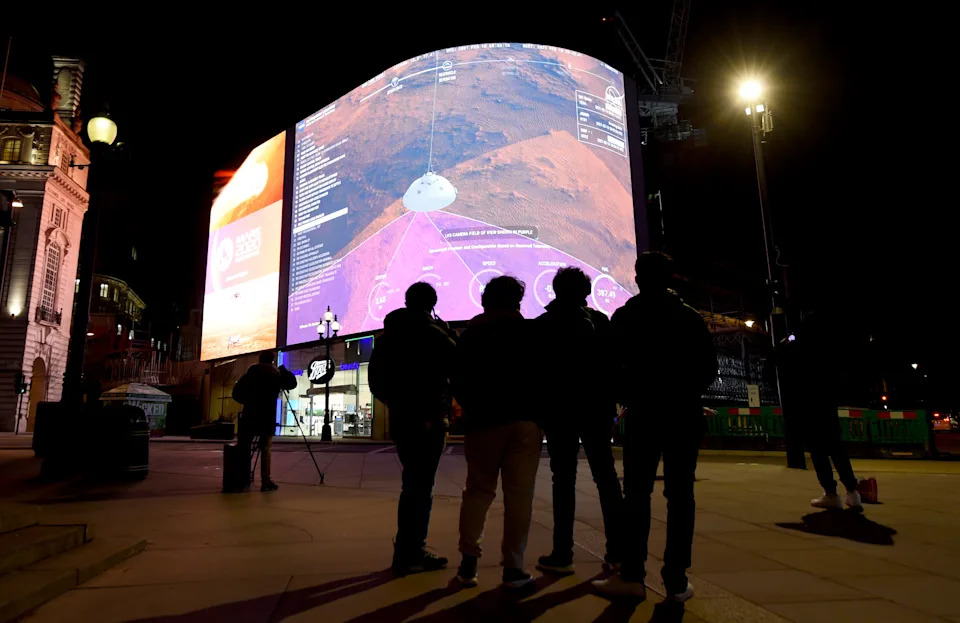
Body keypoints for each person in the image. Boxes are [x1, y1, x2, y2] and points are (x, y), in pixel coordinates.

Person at [593, 252, 716, 602]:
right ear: (670, 278)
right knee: (680, 497)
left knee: (636, 495)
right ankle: (676, 580)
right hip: (683, 414)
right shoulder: (690, 318)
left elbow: (609, 370)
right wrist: (683, 391)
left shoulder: (625, 317)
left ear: (637, 278)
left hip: (643, 416)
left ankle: (632, 574)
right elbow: (708, 369)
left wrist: (632, 393)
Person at [534, 267, 624, 576]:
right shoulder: (600, 323)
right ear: (585, 293)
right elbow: (614, 367)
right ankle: (617, 553)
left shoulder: (543, 325)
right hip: (596, 411)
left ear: (555, 291)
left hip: (558, 413)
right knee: (607, 478)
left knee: (563, 481)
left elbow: (537, 375)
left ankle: (563, 553)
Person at [453, 276, 541, 590]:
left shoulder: (472, 333)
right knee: (520, 496)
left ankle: (468, 565)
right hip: (525, 422)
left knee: (477, 491)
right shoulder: (529, 331)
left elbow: (458, 379)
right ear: (517, 302)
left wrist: (472, 405)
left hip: (483, 422)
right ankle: (514, 568)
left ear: (485, 300)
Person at [368, 282, 457, 575]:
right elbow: (457, 363)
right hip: (429, 420)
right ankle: (411, 553)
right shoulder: (433, 334)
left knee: (412, 485)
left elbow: (376, 384)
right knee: (421, 488)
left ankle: (406, 552)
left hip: (403, 420)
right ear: (431, 304)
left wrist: (399, 404)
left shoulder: (386, 338)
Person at [776, 312, 862, 511]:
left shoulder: (799, 347)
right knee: (837, 448)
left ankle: (831, 493)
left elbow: (780, 352)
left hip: (809, 404)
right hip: (827, 403)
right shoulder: (830, 349)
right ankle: (853, 492)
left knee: (818, 451)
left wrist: (788, 339)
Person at [233, 351, 297, 492]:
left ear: (259, 360)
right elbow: (292, 383)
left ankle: (243, 479)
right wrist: (283, 370)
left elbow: (236, 393)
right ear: (272, 361)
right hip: (267, 417)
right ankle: (265, 480)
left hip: (249, 416)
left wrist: (248, 402)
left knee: (245, 448)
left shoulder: (249, 375)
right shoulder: (274, 376)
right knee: (266, 449)